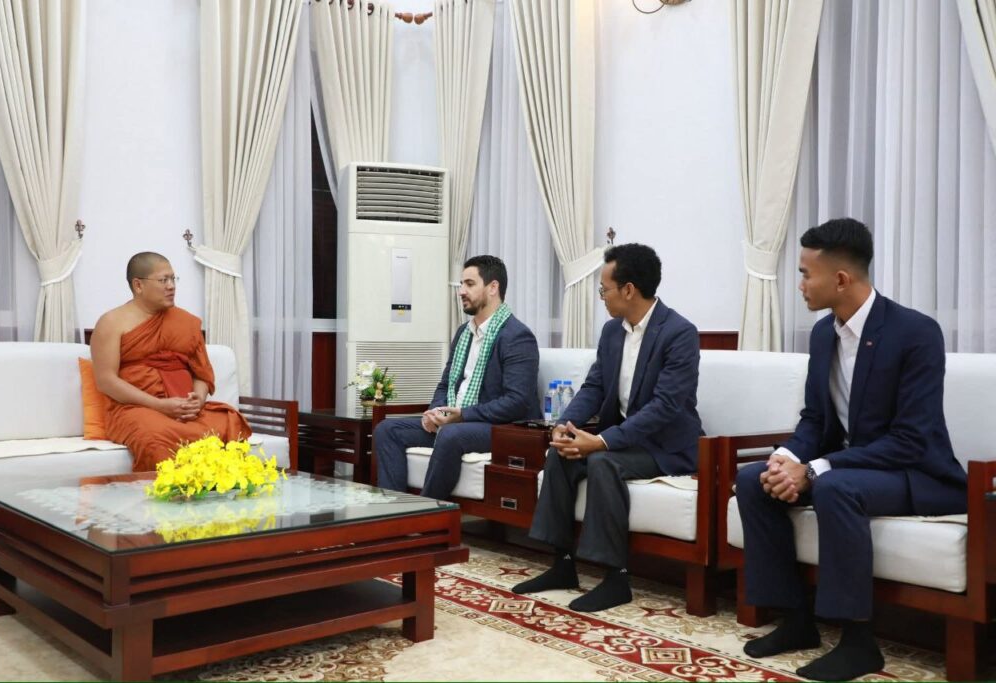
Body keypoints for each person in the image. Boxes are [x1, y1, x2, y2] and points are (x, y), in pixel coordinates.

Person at [735, 219, 966, 681]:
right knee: (753, 479)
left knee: (834, 487)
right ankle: (795, 620)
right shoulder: (823, 335)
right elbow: (815, 419)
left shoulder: (916, 333)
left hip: (916, 473)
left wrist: (816, 469)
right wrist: (788, 458)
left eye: (805, 273)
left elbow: (910, 439)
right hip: (851, 471)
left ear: (840, 279)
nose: (800, 284)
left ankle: (859, 644)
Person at [512, 243, 702, 612]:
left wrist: (601, 441)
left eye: (604, 289)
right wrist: (566, 425)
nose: (602, 297)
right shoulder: (612, 332)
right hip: (625, 440)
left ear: (628, 289)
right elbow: (595, 386)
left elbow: (665, 406)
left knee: (603, 462)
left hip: (667, 447)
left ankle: (616, 579)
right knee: (561, 454)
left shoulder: (679, 333)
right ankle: (562, 564)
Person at [374, 255, 540, 500]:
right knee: (387, 430)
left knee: (451, 434)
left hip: (499, 427)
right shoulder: (464, 333)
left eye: (469, 284)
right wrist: (435, 413)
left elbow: (517, 402)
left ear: (493, 287)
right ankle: (395, 510)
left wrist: (462, 416)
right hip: (457, 421)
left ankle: (427, 512)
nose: (461, 291)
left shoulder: (517, 337)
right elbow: (446, 384)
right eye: (461, 284)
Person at [91, 252, 252, 471]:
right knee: (153, 436)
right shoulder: (112, 322)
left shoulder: (185, 322)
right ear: (138, 285)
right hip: (136, 409)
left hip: (183, 410)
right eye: (163, 280)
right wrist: (159, 405)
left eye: (173, 279)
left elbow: (201, 373)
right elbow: (106, 381)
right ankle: (171, 490)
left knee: (227, 422)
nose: (171, 286)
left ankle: (220, 488)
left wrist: (197, 401)